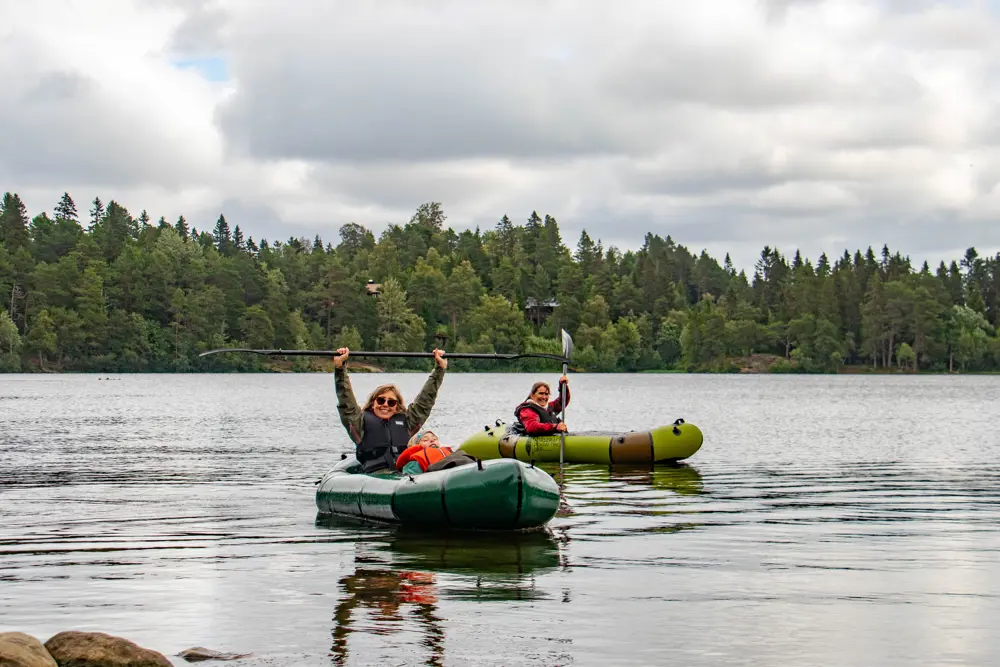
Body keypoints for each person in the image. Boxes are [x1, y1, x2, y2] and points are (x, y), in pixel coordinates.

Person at [333, 347, 447, 473]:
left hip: (404, 476)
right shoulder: (359, 423)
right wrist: (340, 368)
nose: (386, 405)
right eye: (381, 400)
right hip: (375, 476)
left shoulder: (407, 423)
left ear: (397, 407)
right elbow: (346, 401)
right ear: (373, 403)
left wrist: (439, 369)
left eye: (391, 402)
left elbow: (425, 401)